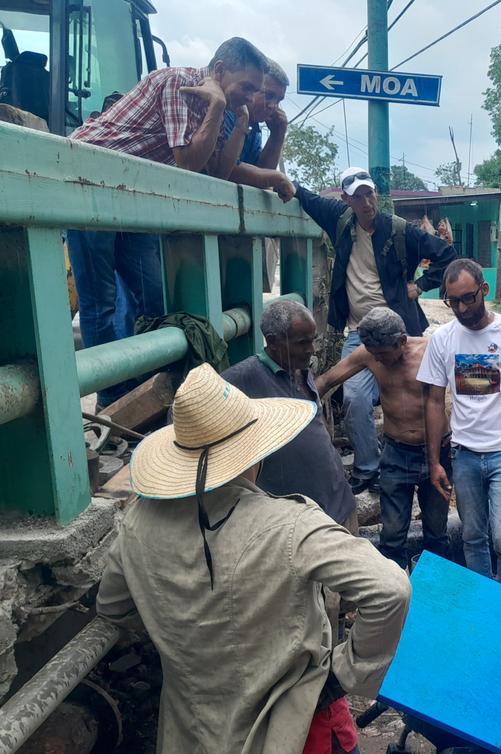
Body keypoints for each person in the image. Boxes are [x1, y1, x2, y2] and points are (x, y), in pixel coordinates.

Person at [97, 363, 410, 754]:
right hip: (295, 747)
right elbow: (390, 589)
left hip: (197, 744)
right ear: (256, 452)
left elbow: (112, 607)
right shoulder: (291, 526)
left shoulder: (136, 524)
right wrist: (344, 673)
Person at [68, 37, 268, 406]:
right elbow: (188, 162)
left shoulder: (224, 109)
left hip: (134, 198)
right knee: (102, 303)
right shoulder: (178, 83)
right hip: (88, 182)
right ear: (220, 71)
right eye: (247, 87)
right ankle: (112, 402)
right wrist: (220, 106)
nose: (252, 97)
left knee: (156, 298)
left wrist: (238, 122)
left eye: (256, 90)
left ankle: (147, 394)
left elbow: (216, 174)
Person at [294, 166, 457, 494]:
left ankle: (429, 460)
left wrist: (421, 285)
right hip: (359, 334)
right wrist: (283, 185)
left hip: (401, 333)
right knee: (354, 398)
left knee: (422, 395)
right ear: (346, 199)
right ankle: (369, 468)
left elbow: (447, 254)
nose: (366, 201)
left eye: (370, 193)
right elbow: (306, 196)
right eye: (358, 196)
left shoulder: (399, 230)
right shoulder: (339, 221)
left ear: (376, 194)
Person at [418, 259, 501, 587]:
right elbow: (432, 400)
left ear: (484, 290)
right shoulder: (443, 339)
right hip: (465, 454)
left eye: (467, 298)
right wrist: (434, 462)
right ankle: (484, 600)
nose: (461, 307)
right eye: (452, 301)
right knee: (473, 536)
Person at [316, 307, 451, 569]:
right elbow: (326, 380)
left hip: (436, 450)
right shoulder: (370, 354)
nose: (377, 360)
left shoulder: (431, 351)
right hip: (396, 453)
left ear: (401, 341)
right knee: (391, 534)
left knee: (436, 532)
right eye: (373, 355)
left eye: (383, 355)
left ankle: (436, 596)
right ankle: (395, 594)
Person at [221, 299, 357, 530]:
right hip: (298, 523)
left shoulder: (300, 368)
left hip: (339, 505)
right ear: (273, 341)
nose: (311, 350)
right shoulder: (242, 378)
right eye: (302, 342)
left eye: (312, 340)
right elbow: (186, 411)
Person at [225, 58, 295, 201]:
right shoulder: (229, 111)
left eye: (278, 100)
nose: (273, 106)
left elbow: (260, 175)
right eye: (268, 95)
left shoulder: (255, 126)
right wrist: (277, 178)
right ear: (252, 88)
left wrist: (277, 135)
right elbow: (226, 167)